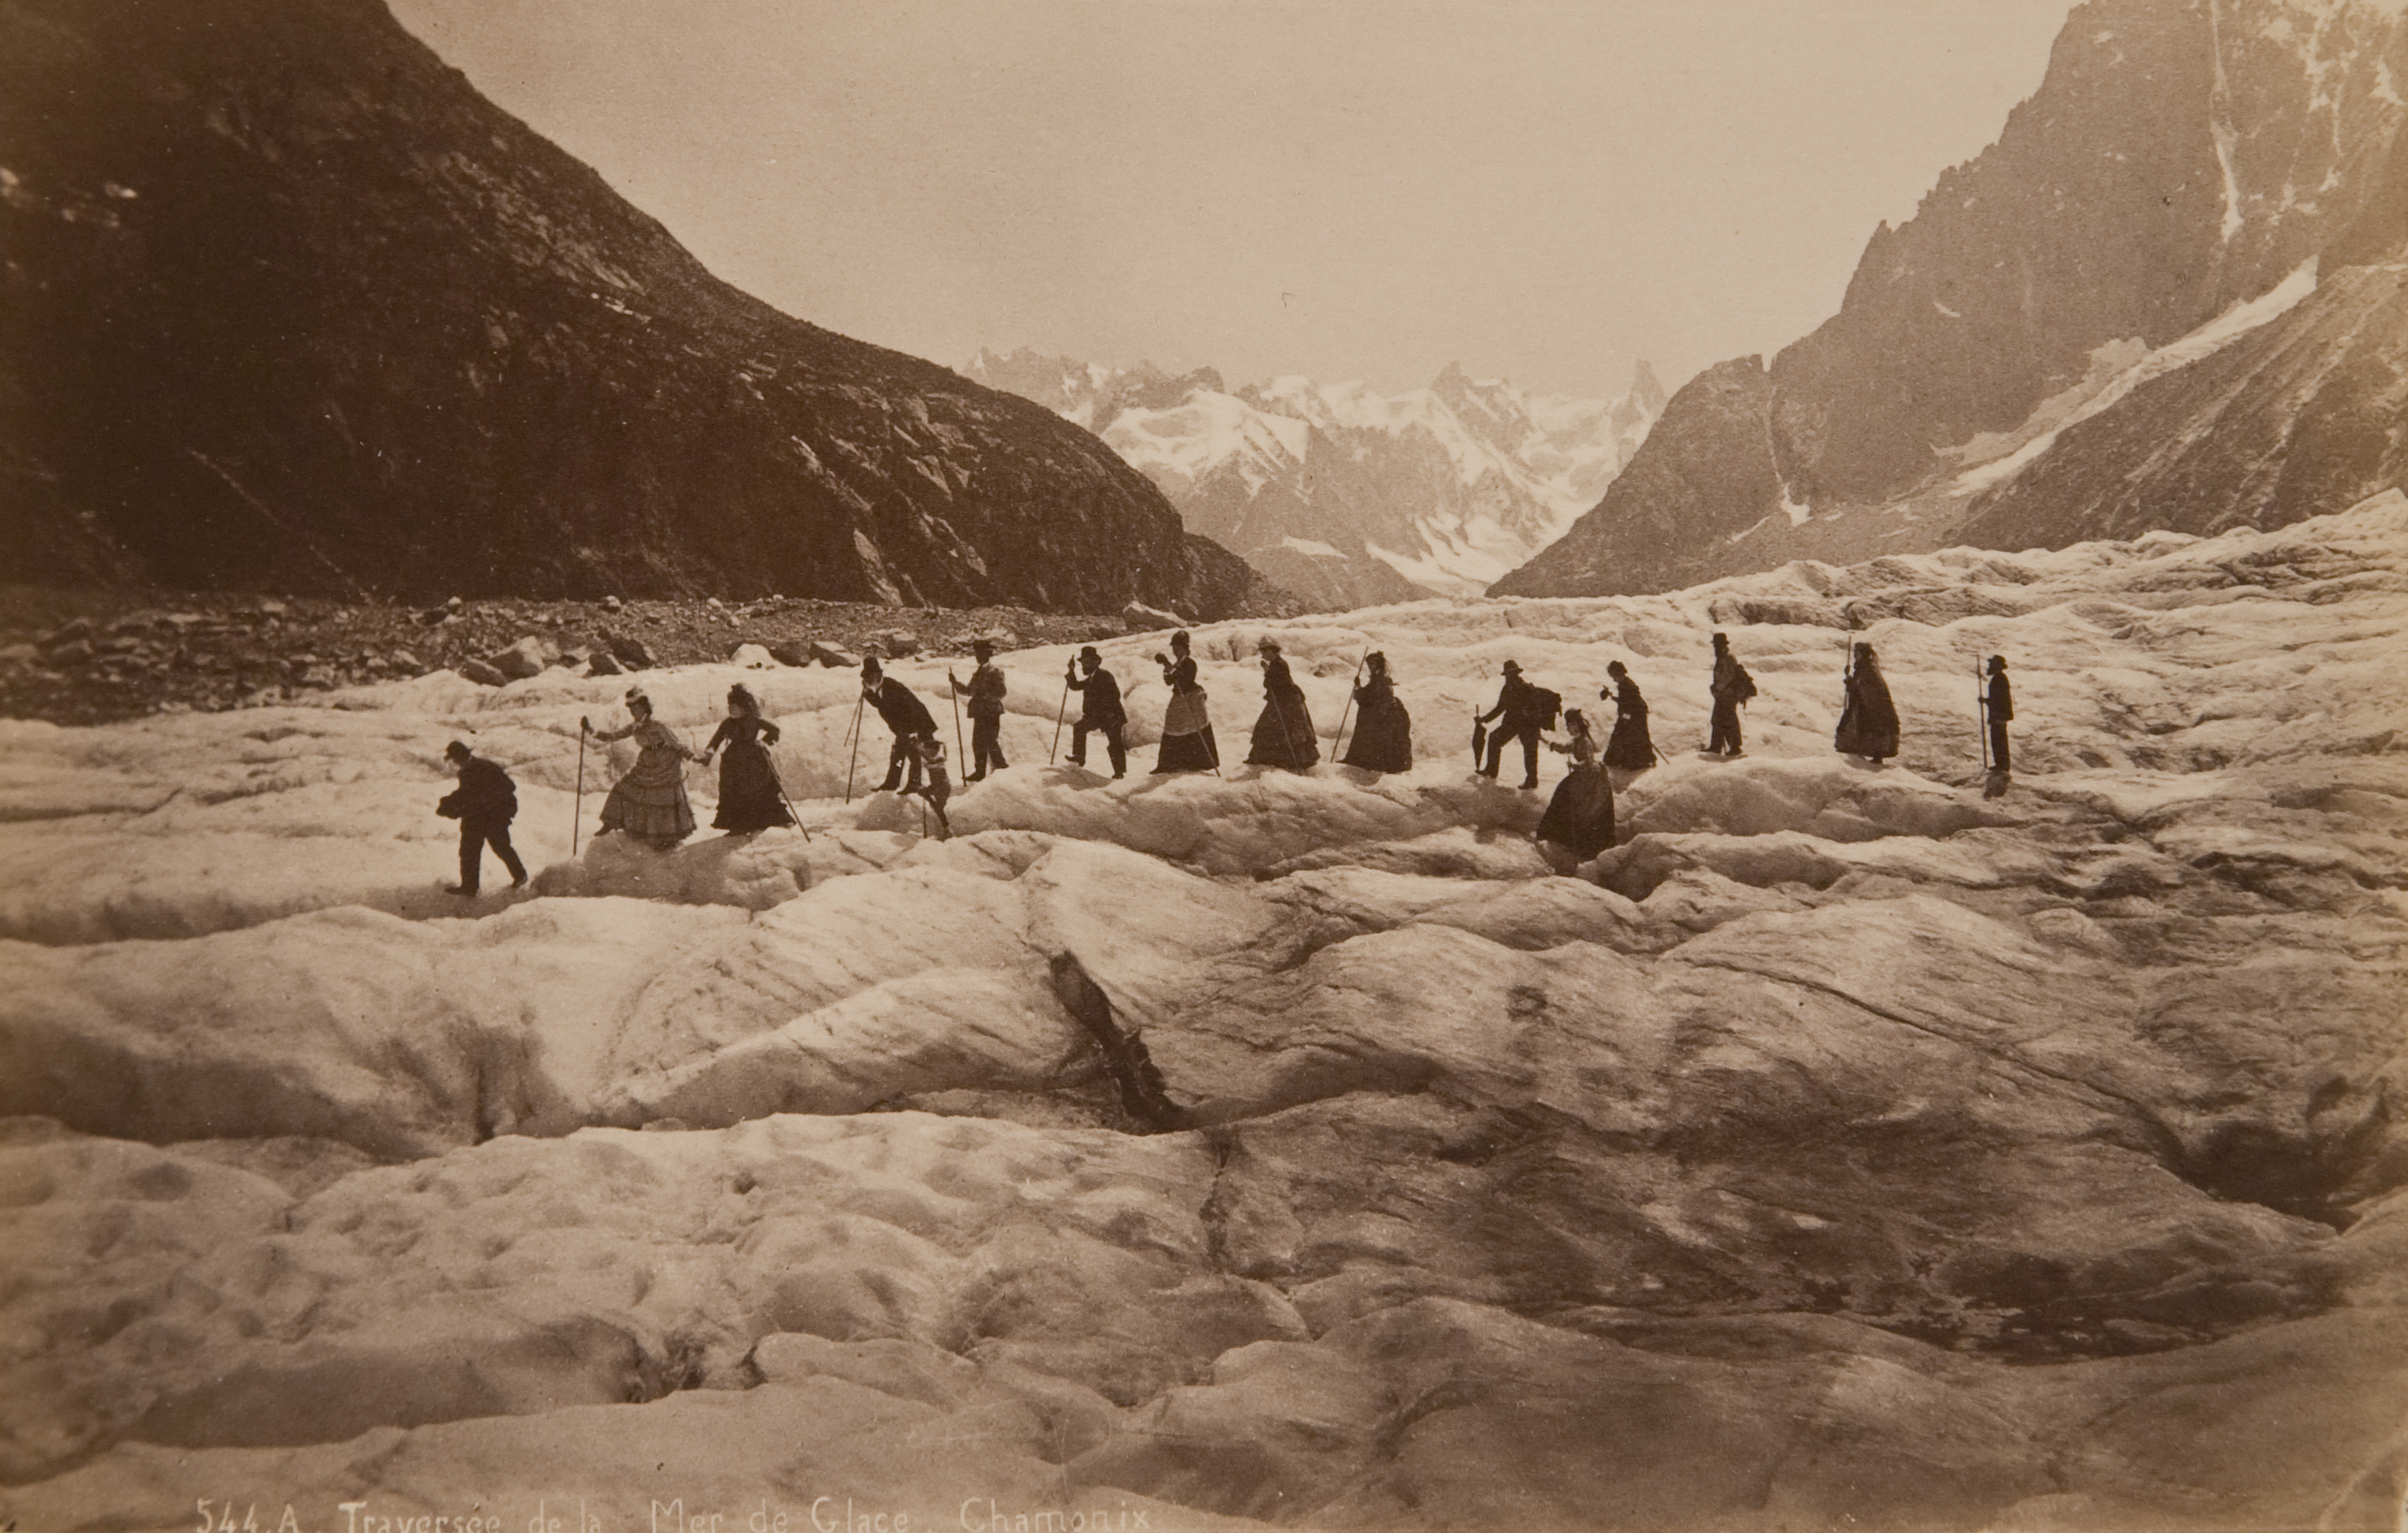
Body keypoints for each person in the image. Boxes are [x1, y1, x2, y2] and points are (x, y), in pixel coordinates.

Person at [583, 688, 699, 848]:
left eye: (635, 707)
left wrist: (694, 757)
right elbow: (613, 736)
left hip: (666, 763)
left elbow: (676, 744)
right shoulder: (635, 727)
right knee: (623, 788)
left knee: (660, 801)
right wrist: (591, 731)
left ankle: (665, 837)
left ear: (645, 707)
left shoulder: (658, 725)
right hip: (647, 762)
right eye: (630, 708)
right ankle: (611, 822)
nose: (632, 711)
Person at [435, 740, 527, 895]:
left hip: (495, 815)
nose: (456, 762)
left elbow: (509, 786)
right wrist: (450, 804)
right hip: (476, 816)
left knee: (501, 847)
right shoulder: (465, 772)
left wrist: (488, 800)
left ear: (464, 755)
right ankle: (469, 888)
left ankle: (521, 877)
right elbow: (466, 794)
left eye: (456, 758)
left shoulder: (486, 767)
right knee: (469, 851)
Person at [701, 683, 794, 832]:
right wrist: (710, 751)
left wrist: (764, 742)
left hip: (754, 760)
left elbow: (774, 730)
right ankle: (739, 826)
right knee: (735, 793)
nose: (731, 710)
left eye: (734, 707)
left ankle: (771, 820)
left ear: (744, 708)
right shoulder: (727, 723)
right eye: (730, 707)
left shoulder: (754, 721)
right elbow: (716, 739)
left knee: (759, 790)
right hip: (733, 762)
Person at [1535, 708, 1615, 870]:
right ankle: (1558, 836)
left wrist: (1575, 765)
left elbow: (1588, 761)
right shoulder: (1578, 740)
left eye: (1570, 725)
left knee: (1582, 805)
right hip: (1582, 775)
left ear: (1577, 725)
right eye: (1567, 725)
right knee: (1563, 793)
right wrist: (1544, 740)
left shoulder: (1585, 741)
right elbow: (1565, 748)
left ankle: (1576, 843)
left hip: (1591, 779)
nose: (1568, 728)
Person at [861, 657, 938, 792]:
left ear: (878, 675)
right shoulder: (880, 688)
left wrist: (913, 731)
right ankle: (892, 783)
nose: (867, 681)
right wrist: (868, 693)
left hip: (918, 724)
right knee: (899, 754)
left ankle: (917, 784)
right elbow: (882, 705)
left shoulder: (892, 687)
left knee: (917, 755)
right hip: (904, 727)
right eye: (865, 677)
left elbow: (910, 707)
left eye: (869, 677)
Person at [1245, 637, 1318, 770]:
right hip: (1282, 700)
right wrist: (1268, 672)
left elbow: (1277, 683)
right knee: (1275, 728)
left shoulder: (1279, 664)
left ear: (1271, 651)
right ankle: (1276, 759)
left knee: (1286, 729)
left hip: (1287, 701)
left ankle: (1290, 760)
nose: (1262, 655)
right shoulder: (1276, 663)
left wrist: (1267, 673)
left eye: (1264, 652)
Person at [1152, 630, 1218, 773]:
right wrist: (1165, 667)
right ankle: (1167, 764)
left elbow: (1185, 681)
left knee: (1193, 728)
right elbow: (1169, 681)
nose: (1176, 651)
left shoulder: (1190, 663)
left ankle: (1194, 762)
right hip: (1179, 698)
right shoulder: (1178, 663)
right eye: (1174, 648)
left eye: (1179, 648)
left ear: (1185, 648)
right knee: (1173, 728)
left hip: (1190, 698)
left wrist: (1168, 664)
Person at [1477, 659, 1548, 789]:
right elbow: (1500, 708)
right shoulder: (1507, 689)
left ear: (1516, 674)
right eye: (1508, 674)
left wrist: (1534, 724)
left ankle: (1532, 780)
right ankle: (1491, 770)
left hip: (1528, 725)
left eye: (1511, 674)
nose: (1509, 677)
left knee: (1530, 752)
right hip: (1513, 724)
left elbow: (1536, 708)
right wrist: (1484, 719)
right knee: (1494, 738)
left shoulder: (1526, 688)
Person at [1338, 651, 1412, 774]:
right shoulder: (1377, 679)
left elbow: (1371, 696)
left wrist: (1358, 689)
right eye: (1369, 664)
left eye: (1373, 664)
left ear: (1379, 665)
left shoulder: (1381, 680)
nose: (1370, 667)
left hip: (1382, 715)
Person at [950, 639, 1009, 781]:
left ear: (987, 655)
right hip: (980, 712)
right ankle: (980, 772)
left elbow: (1001, 692)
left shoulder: (995, 671)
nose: (977, 657)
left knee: (990, 741)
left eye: (980, 654)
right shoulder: (978, 673)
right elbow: (969, 691)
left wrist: (985, 694)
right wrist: (955, 683)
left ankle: (1002, 768)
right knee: (978, 742)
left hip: (991, 712)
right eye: (977, 654)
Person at [1066, 646, 1127, 777]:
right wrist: (1071, 671)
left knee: (1115, 743)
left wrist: (1105, 712)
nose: (1084, 666)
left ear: (1095, 662)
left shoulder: (1105, 676)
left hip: (1112, 716)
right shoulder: (1091, 678)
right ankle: (1079, 757)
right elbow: (1075, 686)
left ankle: (1119, 772)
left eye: (1087, 662)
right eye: (1083, 663)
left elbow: (1114, 695)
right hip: (1098, 716)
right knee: (1079, 727)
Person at [1835, 642, 1901, 764]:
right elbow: (1859, 687)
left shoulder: (1869, 670)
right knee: (1866, 727)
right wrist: (1850, 680)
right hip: (1870, 705)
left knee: (1872, 728)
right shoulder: (1864, 668)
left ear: (1862, 654)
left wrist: (1851, 684)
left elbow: (1865, 689)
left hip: (1873, 707)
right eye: (1854, 653)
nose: (1855, 655)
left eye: (1857, 653)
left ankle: (1875, 757)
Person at [1601, 661, 1653, 771]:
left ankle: (1633, 763)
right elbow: (1625, 702)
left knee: (1629, 737)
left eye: (1613, 676)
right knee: (1630, 736)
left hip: (1636, 717)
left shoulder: (1627, 686)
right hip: (1634, 715)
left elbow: (1631, 706)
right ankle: (1630, 761)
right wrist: (1613, 697)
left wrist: (1625, 720)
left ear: (1618, 674)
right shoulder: (1624, 684)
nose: (1613, 679)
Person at [1708, 633, 1753, 757]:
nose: (1716, 648)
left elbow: (1727, 677)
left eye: (1718, 645)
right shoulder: (1722, 659)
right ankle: (1717, 746)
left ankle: (1734, 747)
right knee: (1718, 719)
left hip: (1728, 695)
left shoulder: (1728, 659)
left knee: (1728, 720)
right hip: (1723, 695)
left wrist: (1717, 688)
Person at [904, 731, 953, 840]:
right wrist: (916, 743)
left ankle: (947, 830)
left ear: (934, 751)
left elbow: (925, 755)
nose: (927, 752)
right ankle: (946, 829)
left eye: (929, 750)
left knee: (939, 808)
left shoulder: (937, 760)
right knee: (937, 807)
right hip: (937, 787)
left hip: (941, 788)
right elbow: (924, 753)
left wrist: (917, 745)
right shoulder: (934, 759)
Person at [1981, 655, 2013, 798]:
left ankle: (2003, 764)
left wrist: (1986, 701)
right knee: (1998, 739)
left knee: (1999, 739)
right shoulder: (1999, 679)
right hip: (1999, 715)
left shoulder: (1999, 680)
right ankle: (2000, 763)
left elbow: (1998, 699)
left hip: (1999, 715)